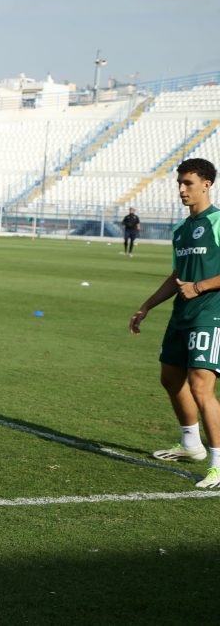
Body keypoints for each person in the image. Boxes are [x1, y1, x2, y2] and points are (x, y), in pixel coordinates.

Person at [130, 158, 220, 489]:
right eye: (179, 184)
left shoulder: (218, 221)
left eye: (188, 183)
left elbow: (195, 281)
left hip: (212, 313)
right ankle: (191, 444)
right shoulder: (181, 229)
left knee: (200, 386)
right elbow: (177, 276)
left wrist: (200, 287)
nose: (182, 190)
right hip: (182, 314)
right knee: (170, 378)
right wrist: (147, 306)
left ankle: (218, 463)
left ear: (207, 184)